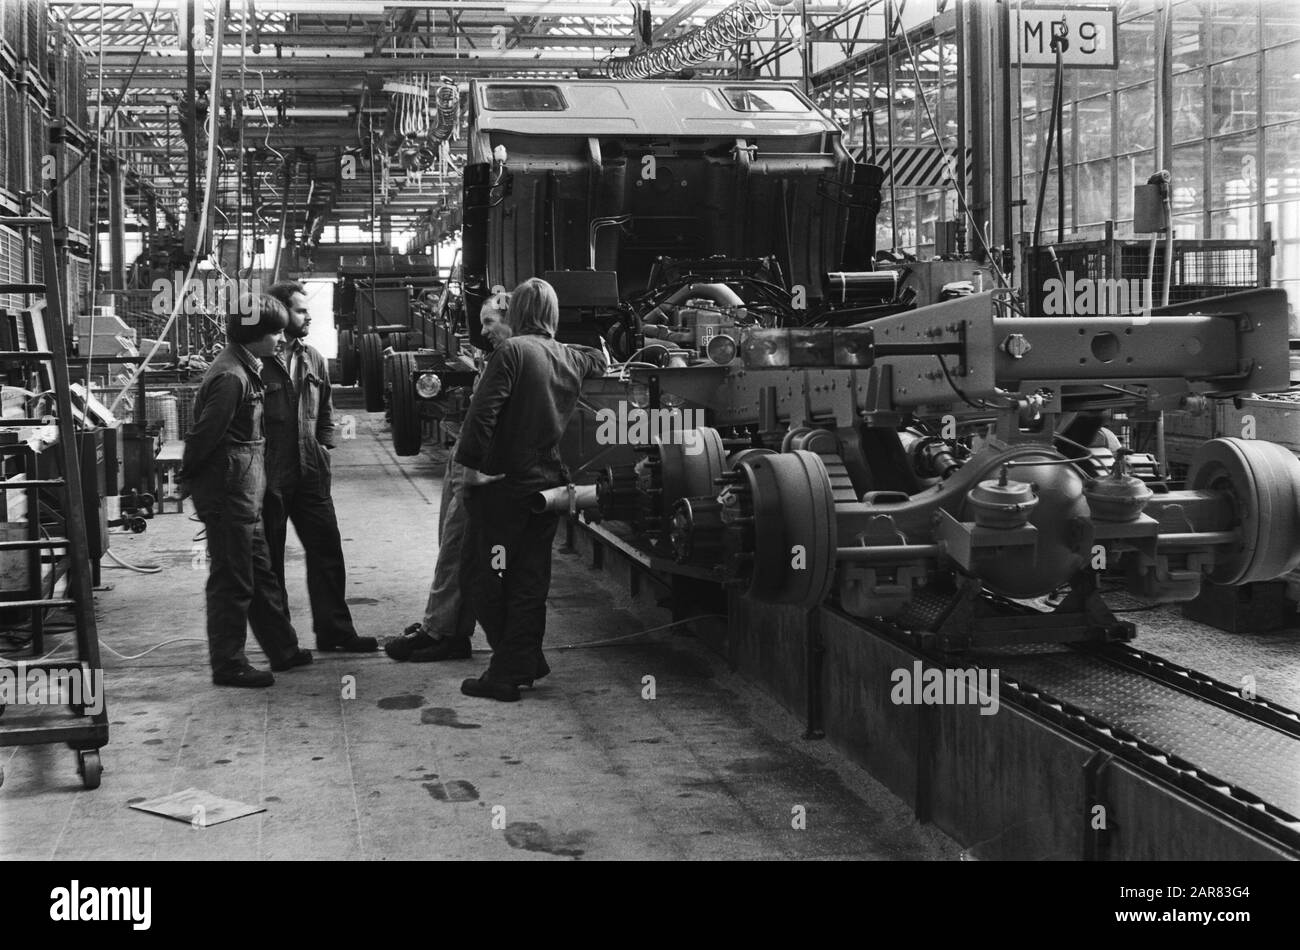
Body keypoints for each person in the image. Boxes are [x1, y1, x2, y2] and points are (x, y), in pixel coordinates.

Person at [455, 278, 607, 701]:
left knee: (480, 579)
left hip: (504, 488)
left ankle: (507, 671)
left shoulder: (511, 352)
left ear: (517, 312)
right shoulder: (570, 356)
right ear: (554, 315)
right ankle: (524, 657)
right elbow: (600, 358)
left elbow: (482, 416)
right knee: (528, 580)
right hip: (548, 486)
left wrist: (470, 471)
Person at [181, 294, 312, 687]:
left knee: (260, 572)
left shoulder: (246, 365)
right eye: (273, 332)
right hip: (228, 492)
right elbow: (203, 438)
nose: (280, 339)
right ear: (254, 335)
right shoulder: (231, 377)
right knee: (232, 579)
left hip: (245, 492)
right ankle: (229, 664)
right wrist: (199, 487)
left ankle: (282, 649)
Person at [386, 290, 512, 663]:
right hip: (464, 457)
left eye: (490, 323)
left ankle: (441, 633)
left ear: (511, 320)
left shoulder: (514, 358)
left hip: (480, 465)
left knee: (458, 546)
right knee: (449, 540)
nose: (484, 331)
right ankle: (446, 625)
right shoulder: (497, 357)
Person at [261, 281, 377, 654]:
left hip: (311, 472)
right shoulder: (258, 361)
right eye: (299, 310)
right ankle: (283, 644)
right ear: (279, 313)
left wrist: (326, 445)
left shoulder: (314, 357)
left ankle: (335, 632)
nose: (308, 315)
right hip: (269, 475)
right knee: (270, 563)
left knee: (327, 553)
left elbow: (325, 408)